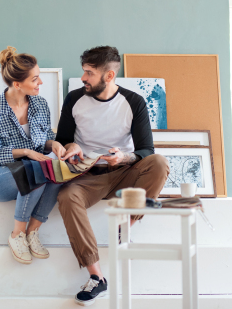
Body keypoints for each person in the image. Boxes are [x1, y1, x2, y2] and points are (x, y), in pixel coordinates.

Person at [53, 46, 170, 306]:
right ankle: (97, 278)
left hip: (125, 171)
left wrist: (124, 157)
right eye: (84, 71)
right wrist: (70, 148)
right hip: (88, 174)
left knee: (159, 163)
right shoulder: (74, 99)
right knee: (67, 196)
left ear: (108, 76)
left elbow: (146, 150)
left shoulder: (134, 102)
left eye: (89, 73)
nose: (83, 78)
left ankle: (126, 227)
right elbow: (62, 141)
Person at [0, 46, 64, 265]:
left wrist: (53, 144)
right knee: (31, 168)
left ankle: (32, 232)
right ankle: (17, 234)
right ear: (17, 84)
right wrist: (27, 152)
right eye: (35, 79)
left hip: (29, 170)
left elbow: (44, 140)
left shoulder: (41, 105)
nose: (40, 83)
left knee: (56, 174)